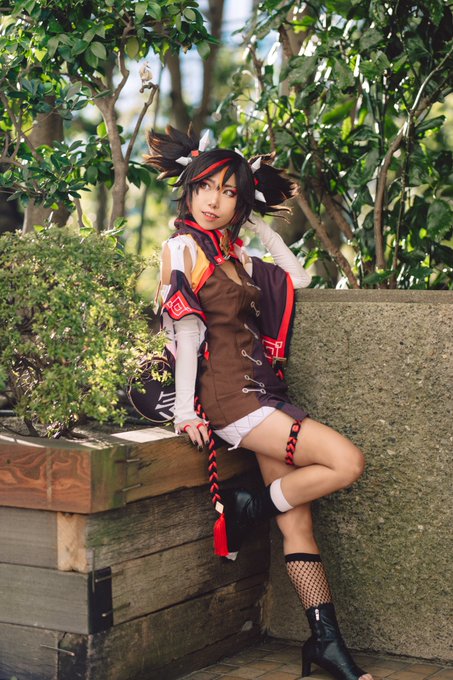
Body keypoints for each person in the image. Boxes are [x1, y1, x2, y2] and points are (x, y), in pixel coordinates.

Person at [144, 125, 372, 680]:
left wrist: (258, 225)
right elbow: (187, 330)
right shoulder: (181, 248)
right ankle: (247, 506)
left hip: (264, 392)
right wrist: (184, 412)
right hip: (232, 399)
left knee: (298, 527)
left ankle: (325, 644)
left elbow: (296, 276)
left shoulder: (235, 254)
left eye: (228, 192)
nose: (213, 201)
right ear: (188, 190)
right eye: (205, 187)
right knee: (347, 463)